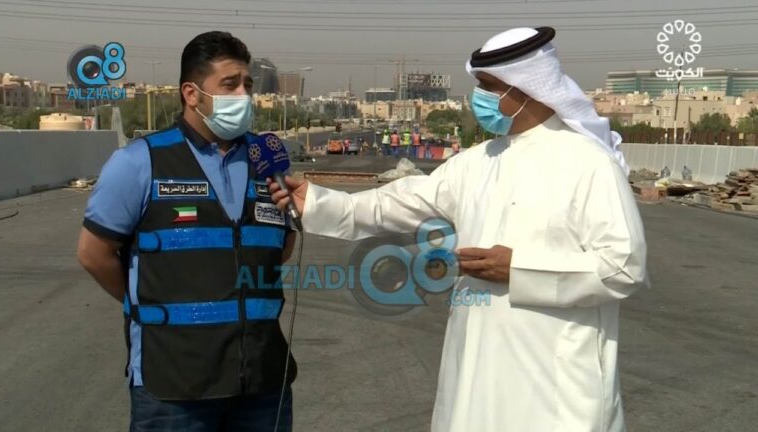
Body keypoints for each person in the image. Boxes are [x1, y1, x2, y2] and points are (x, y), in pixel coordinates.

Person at [269, 27, 647, 432]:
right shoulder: (480, 160)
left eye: (489, 87)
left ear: (526, 88)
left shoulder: (588, 163)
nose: (478, 98)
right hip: (477, 373)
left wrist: (518, 269)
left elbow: (623, 267)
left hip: (555, 385)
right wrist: (320, 202)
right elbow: (403, 202)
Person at [76, 31, 297, 431]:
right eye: (229, 84)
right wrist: (152, 305)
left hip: (262, 382)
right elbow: (94, 253)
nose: (244, 95)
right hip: (172, 388)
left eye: (248, 85)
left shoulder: (267, 159)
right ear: (191, 94)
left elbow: (280, 245)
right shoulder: (139, 162)